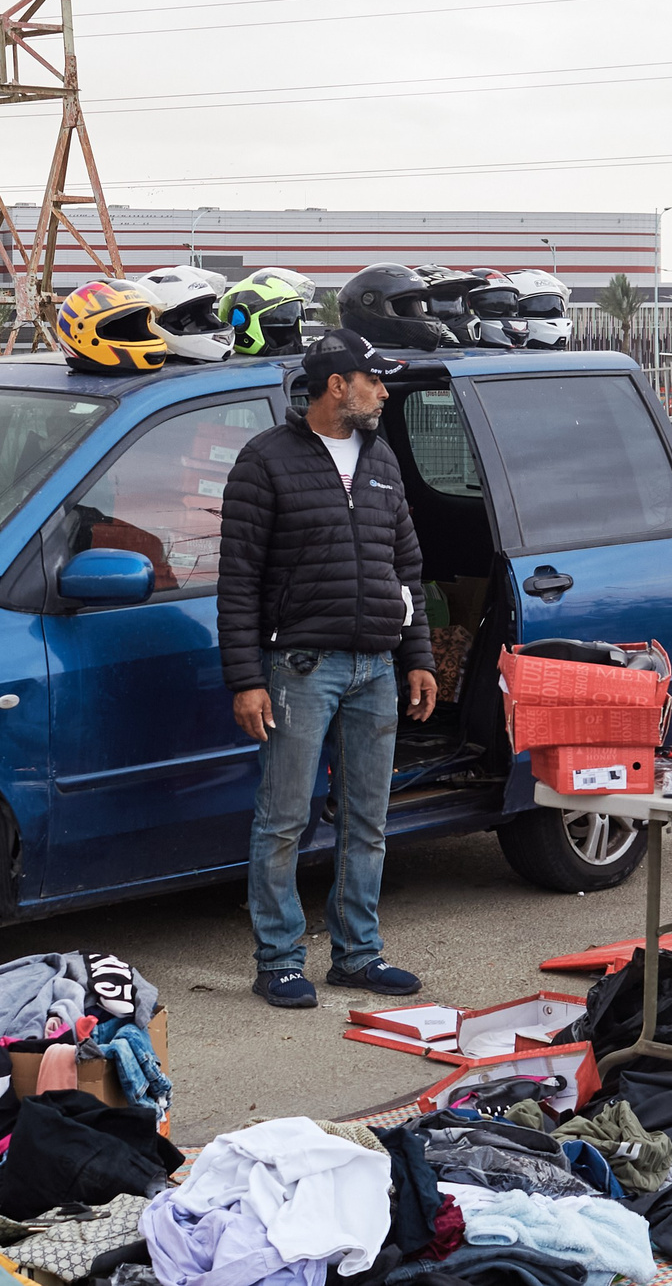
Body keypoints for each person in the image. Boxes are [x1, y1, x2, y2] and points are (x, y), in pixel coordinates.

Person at [218, 329, 437, 1008]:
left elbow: (407, 566)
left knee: (367, 819)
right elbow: (238, 580)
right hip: (300, 667)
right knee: (283, 818)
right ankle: (279, 959)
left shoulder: (382, 459)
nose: (382, 391)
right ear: (336, 384)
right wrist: (246, 679)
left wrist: (419, 656)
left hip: (377, 664)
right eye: (373, 380)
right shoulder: (265, 461)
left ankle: (357, 954)